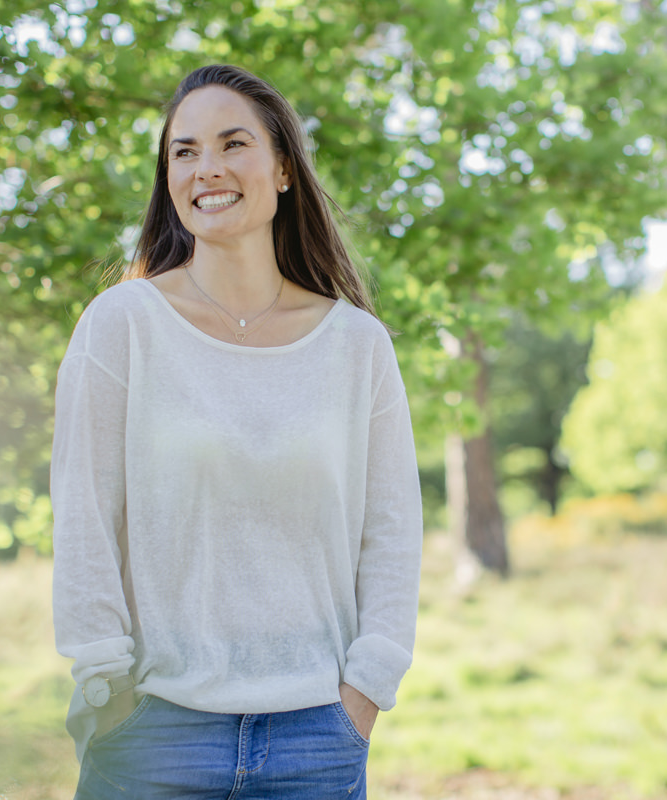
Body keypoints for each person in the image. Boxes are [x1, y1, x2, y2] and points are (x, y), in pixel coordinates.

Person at [50, 64, 423, 799]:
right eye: (183, 152)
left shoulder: (356, 345)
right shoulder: (122, 327)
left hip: (317, 739)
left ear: (283, 168)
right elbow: (84, 516)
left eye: (231, 144)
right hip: (153, 734)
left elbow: (393, 533)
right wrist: (107, 686)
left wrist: (363, 698)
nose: (206, 169)